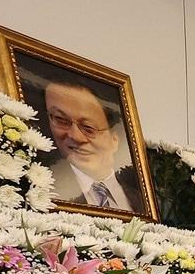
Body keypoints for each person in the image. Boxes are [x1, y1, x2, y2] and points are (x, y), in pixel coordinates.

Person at [42, 80, 142, 211]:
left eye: (88, 128)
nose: (75, 136)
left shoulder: (142, 198)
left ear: (115, 139)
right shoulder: (42, 189)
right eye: (61, 120)